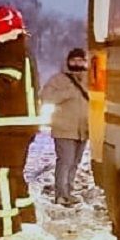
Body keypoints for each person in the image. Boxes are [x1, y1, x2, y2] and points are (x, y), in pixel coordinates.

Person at [0, 6, 44, 240]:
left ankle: (7, 226)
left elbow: (6, 84)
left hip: (13, 124)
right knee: (13, 173)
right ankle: (26, 217)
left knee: (0, 174)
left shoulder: (10, 51)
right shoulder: (20, 49)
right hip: (21, 123)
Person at [41, 48, 91, 206]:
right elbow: (46, 97)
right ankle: (61, 194)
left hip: (84, 129)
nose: (77, 63)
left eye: (80, 60)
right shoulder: (58, 79)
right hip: (64, 129)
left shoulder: (90, 79)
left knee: (75, 163)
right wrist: (68, 92)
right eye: (74, 60)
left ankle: (69, 192)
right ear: (68, 61)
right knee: (65, 162)